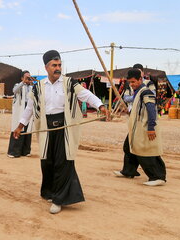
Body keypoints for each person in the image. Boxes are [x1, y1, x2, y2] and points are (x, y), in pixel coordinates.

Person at [14, 50, 109, 214]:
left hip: (65, 128)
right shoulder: (38, 87)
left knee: (63, 161)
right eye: (54, 65)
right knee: (47, 161)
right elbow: (29, 109)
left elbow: (86, 95)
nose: (58, 68)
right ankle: (50, 192)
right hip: (46, 128)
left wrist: (100, 106)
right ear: (46, 67)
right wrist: (20, 126)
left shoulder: (70, 83)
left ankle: (59, 199)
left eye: (59, 65)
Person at [113, 69, 166, 186]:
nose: (131, 85)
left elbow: (151, 110)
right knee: (128, 148)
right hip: (135, 128)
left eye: (133, 82)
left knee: (147, 151)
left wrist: (151, 127)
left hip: (145, 127)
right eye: (130, 83)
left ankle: (158, 177)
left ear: (140, 79)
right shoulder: (137, 92)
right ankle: (129, 171)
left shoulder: (146, 92)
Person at [7, 70, 33, 158]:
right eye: (26, 77)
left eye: (29, 77)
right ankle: (14, 152)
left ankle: (25, 151)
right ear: (22, 78)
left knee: (27, 129)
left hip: (28, 108)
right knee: (18, 127)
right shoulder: (18, 85)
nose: (28, 79)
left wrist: (32, 82)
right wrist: (23, 82)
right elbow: (14, 90)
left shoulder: (31, 87)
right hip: (20, 109)